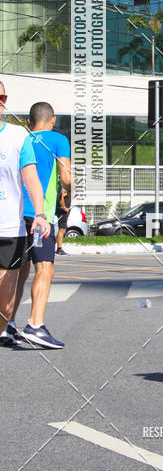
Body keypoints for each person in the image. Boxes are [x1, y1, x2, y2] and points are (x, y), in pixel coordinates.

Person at [9, 102, 71, 349]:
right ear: (52, 120)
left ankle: (7, 324)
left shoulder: (20, 139)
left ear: (28, 121)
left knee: (18, 272)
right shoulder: (57, 139)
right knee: (45, 267)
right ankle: (35, 325)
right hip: (39, 215)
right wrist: (68, 191)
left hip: (15, 214)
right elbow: (65, 176)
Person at [0, 85, 51, 347]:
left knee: (6, 305)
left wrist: (40, 214)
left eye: (1, 97)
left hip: (9, 228)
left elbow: (31, 178)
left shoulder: (19, 136)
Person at [55, 185, 70, 255]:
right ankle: (59, 248)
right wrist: (64, 207)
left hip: (62, 209)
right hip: (62, 210)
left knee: (62, 228)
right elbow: (61, 197)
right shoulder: (65, 187)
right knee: (62, 228)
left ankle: (59, 248)